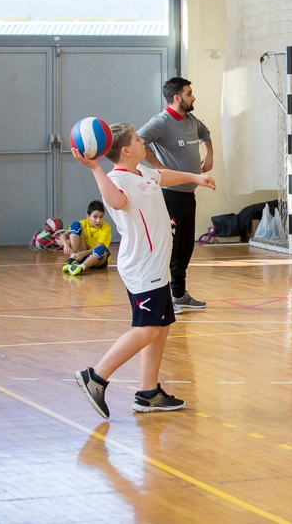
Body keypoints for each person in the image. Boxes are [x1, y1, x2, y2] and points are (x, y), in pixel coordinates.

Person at [74, 123, 216, 419]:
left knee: (162, 326)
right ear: (126, 151)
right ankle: (96, 376)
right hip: (142, 266)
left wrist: (194, 177)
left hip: (156, 266)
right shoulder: (116, 179)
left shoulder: (143, 172)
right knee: (148, 328)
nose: (143, 142)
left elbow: (163, 176)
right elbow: (116, 201)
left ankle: (148, 393)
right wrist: (95, 168)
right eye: (138, 140)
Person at [138, 77, 213, 314]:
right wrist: (159, 168)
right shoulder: (161, 122)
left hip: (188, 195)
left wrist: (208, 153)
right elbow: (139, 141)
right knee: (168, 249)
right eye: (189, 93)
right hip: (170, 195)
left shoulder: (191, 120)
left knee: (184, 248)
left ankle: (179, 295)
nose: (193, 97)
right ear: (177, 98)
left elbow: (205, 132)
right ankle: (162, 298)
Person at [62, 200, 113, 276]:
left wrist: (84, 253)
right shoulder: (83, 223)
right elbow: (62, 235)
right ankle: (72, 259)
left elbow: (99, 246)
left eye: (101, 217)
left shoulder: (106, 227)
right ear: (88, 216)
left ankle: (81, 267)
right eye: (95, 217)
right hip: (81, 255)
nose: (98, 220)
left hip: (97, 259)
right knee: (75, 225)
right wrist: (66, 244)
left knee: (101, 249)